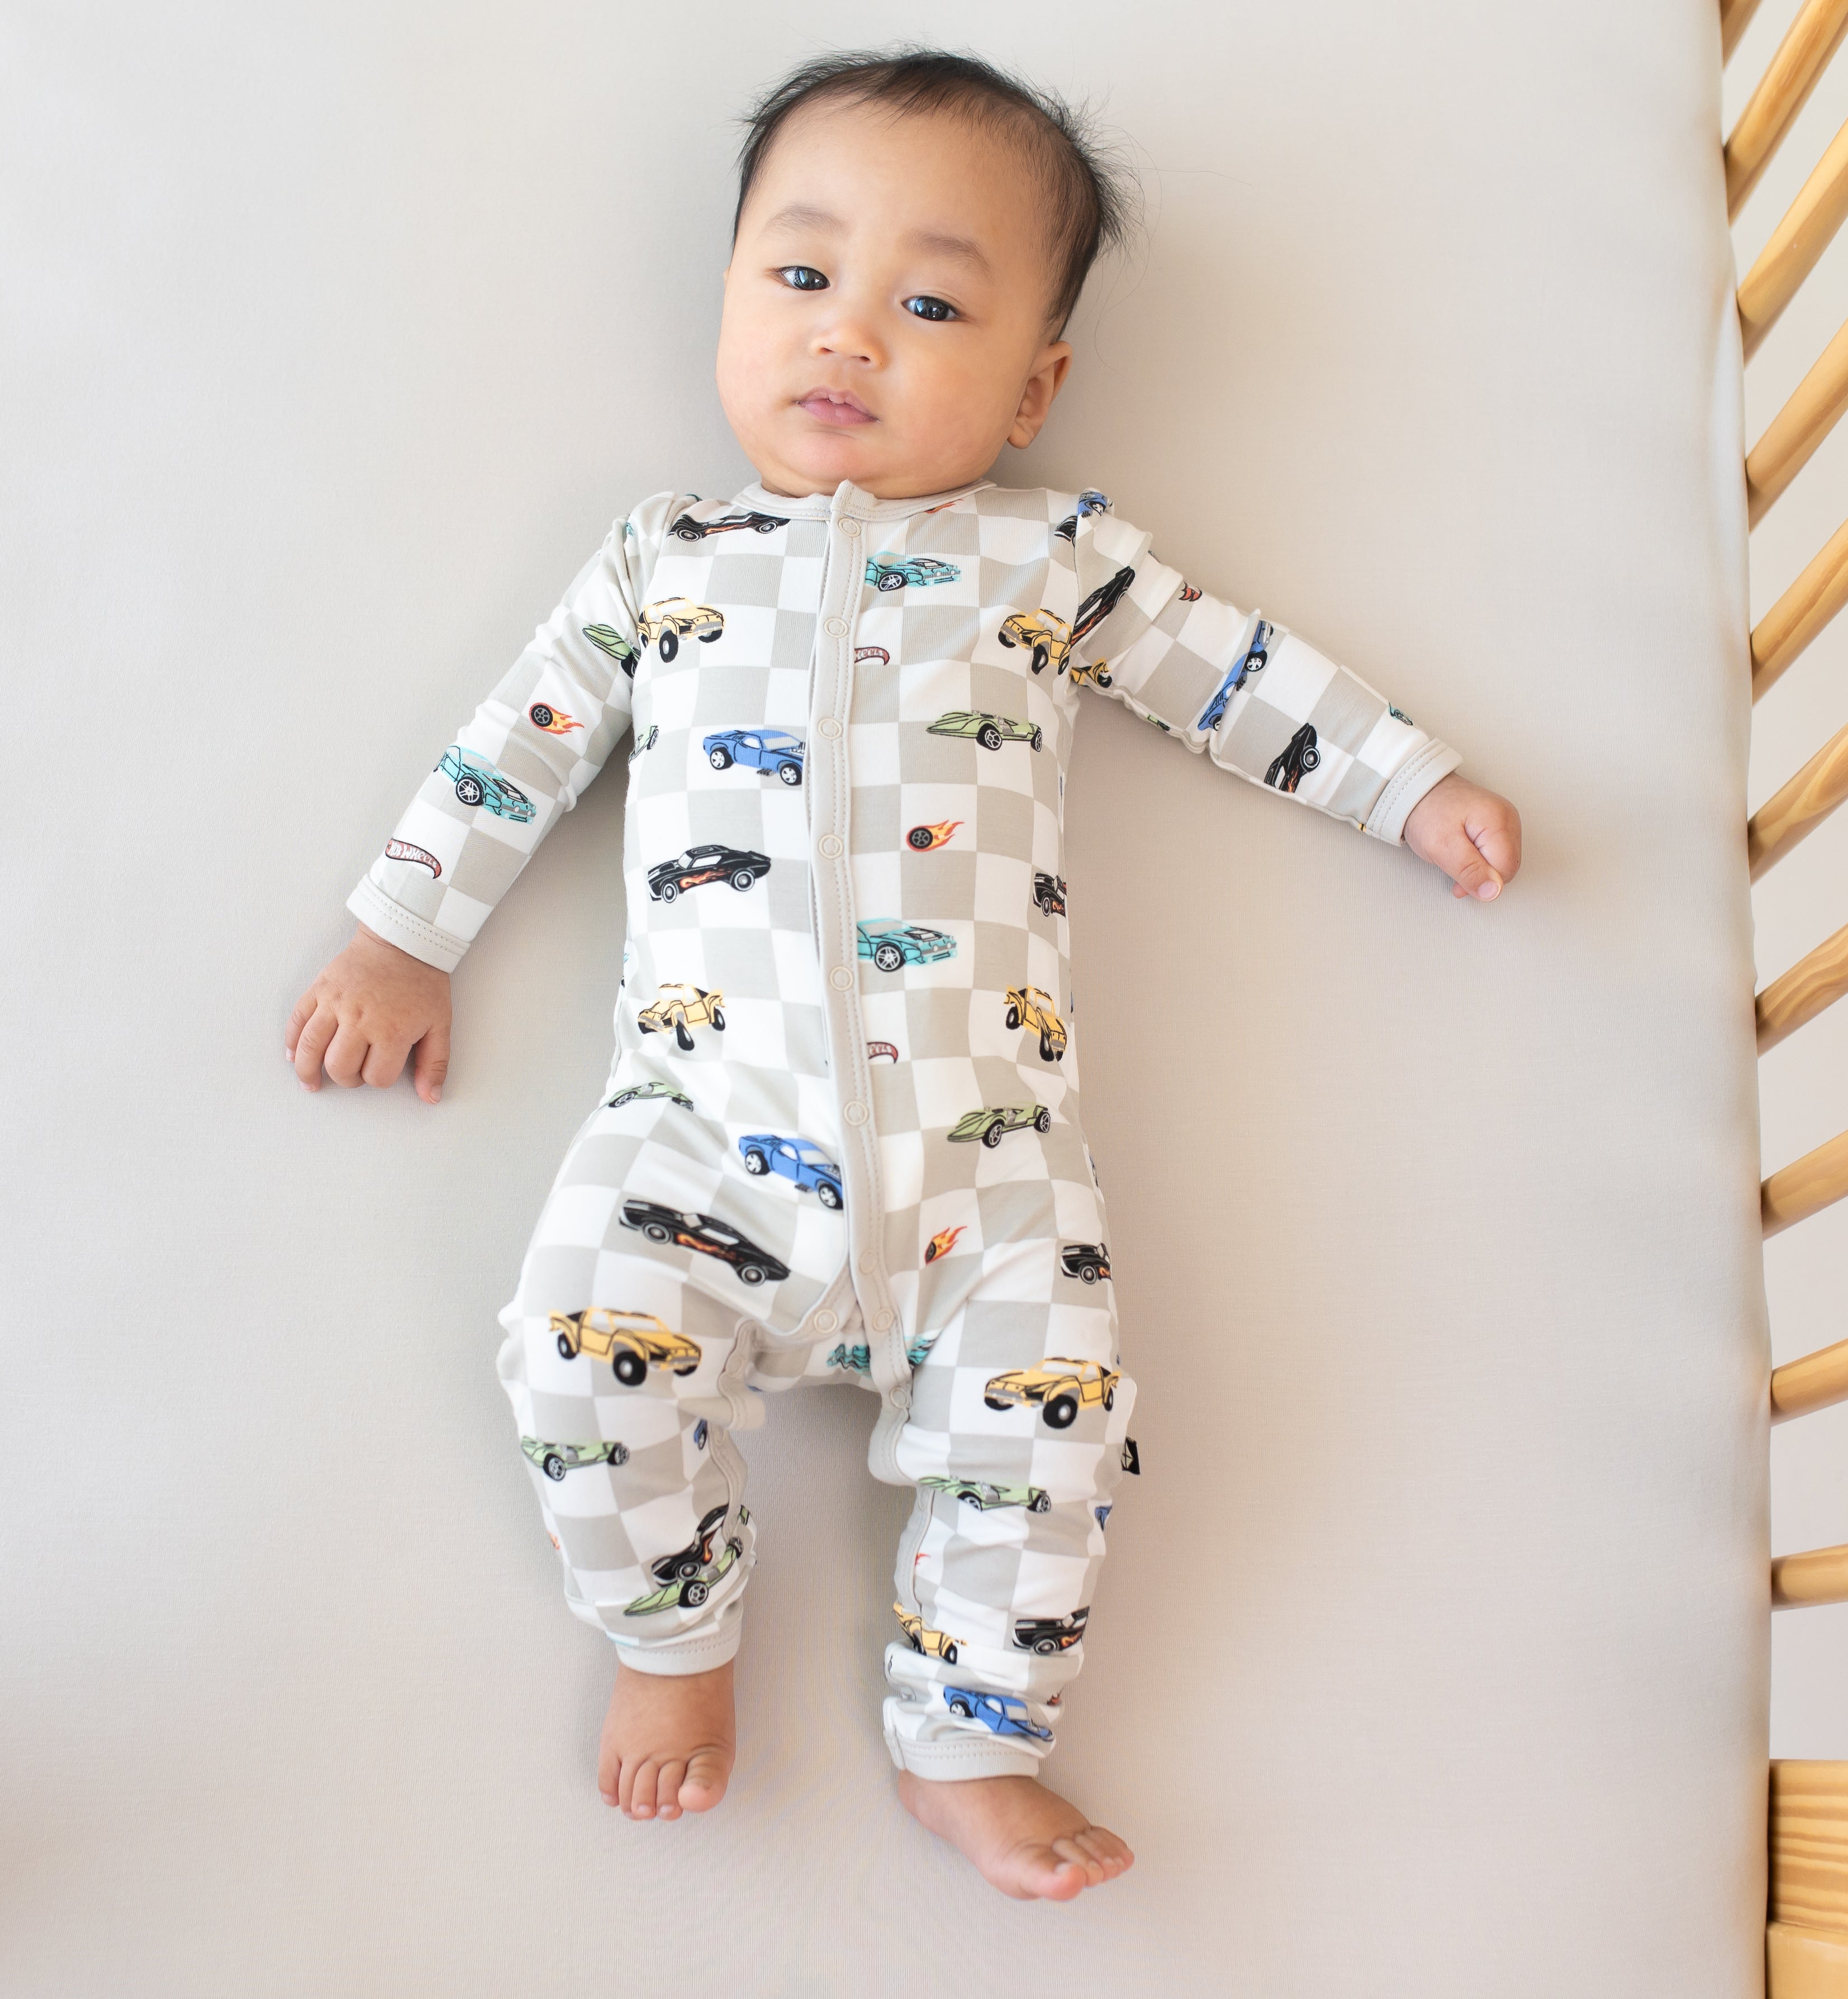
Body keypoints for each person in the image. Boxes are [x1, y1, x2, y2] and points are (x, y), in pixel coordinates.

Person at [284, 46, 1522, 1902]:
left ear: (1032, 385)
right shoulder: (663, 559)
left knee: (1066, 1428)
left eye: (928, 303)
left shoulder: (1052, 558)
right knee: (567, 1346)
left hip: (990, 1172)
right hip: (702, 1137)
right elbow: (515, 746)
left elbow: (1238, 672)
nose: (848, 334)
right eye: (799, 278)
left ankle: (968, 1738)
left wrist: (1409, 785)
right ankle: (669, 1633)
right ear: (727, 303)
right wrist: (400, 932)